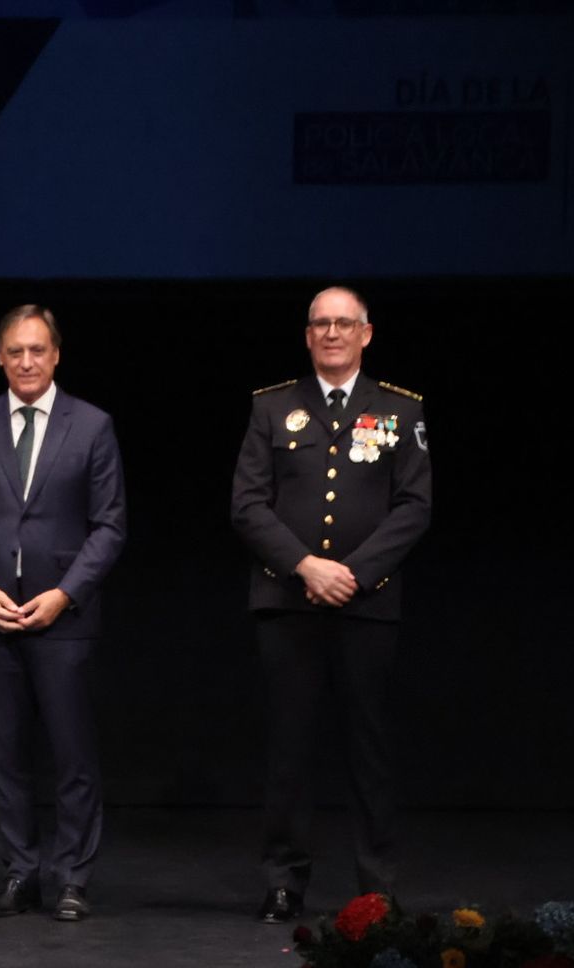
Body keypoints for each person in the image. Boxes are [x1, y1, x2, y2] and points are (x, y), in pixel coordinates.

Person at [230, 286, 431, 923]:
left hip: (366, 603)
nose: (333, 332)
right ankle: (284, 881)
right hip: (289, 602)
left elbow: (414, 506)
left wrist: (354, 573)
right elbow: (248, 504)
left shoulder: (398, 408)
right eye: (321, 323)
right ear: (307, 333)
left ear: (366, 333)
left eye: (345, 323)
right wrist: (305, 566)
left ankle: (376, 884)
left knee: (368, 747)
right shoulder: (272, 408)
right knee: (290, 746)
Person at [0, 305, 127, 922]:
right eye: (15, 351)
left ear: (56, 355)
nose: (26, 361)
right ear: (0, 356)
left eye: (37, 350)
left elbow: (109, 526)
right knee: (6, 754)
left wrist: (65, 594)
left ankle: (72, 877)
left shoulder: (92, 425)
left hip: (63, 618)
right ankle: (20, 873)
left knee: (73, 755)